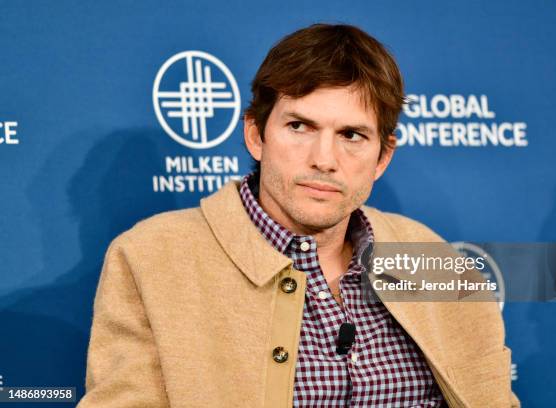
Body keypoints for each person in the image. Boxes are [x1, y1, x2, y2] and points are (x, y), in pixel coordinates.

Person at [77, 23, 519, 407]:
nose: (324, 159)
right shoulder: (152, 258)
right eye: (299, 126)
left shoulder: (431, 256)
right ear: (256, 135)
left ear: (382, 157)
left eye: (351, 135)